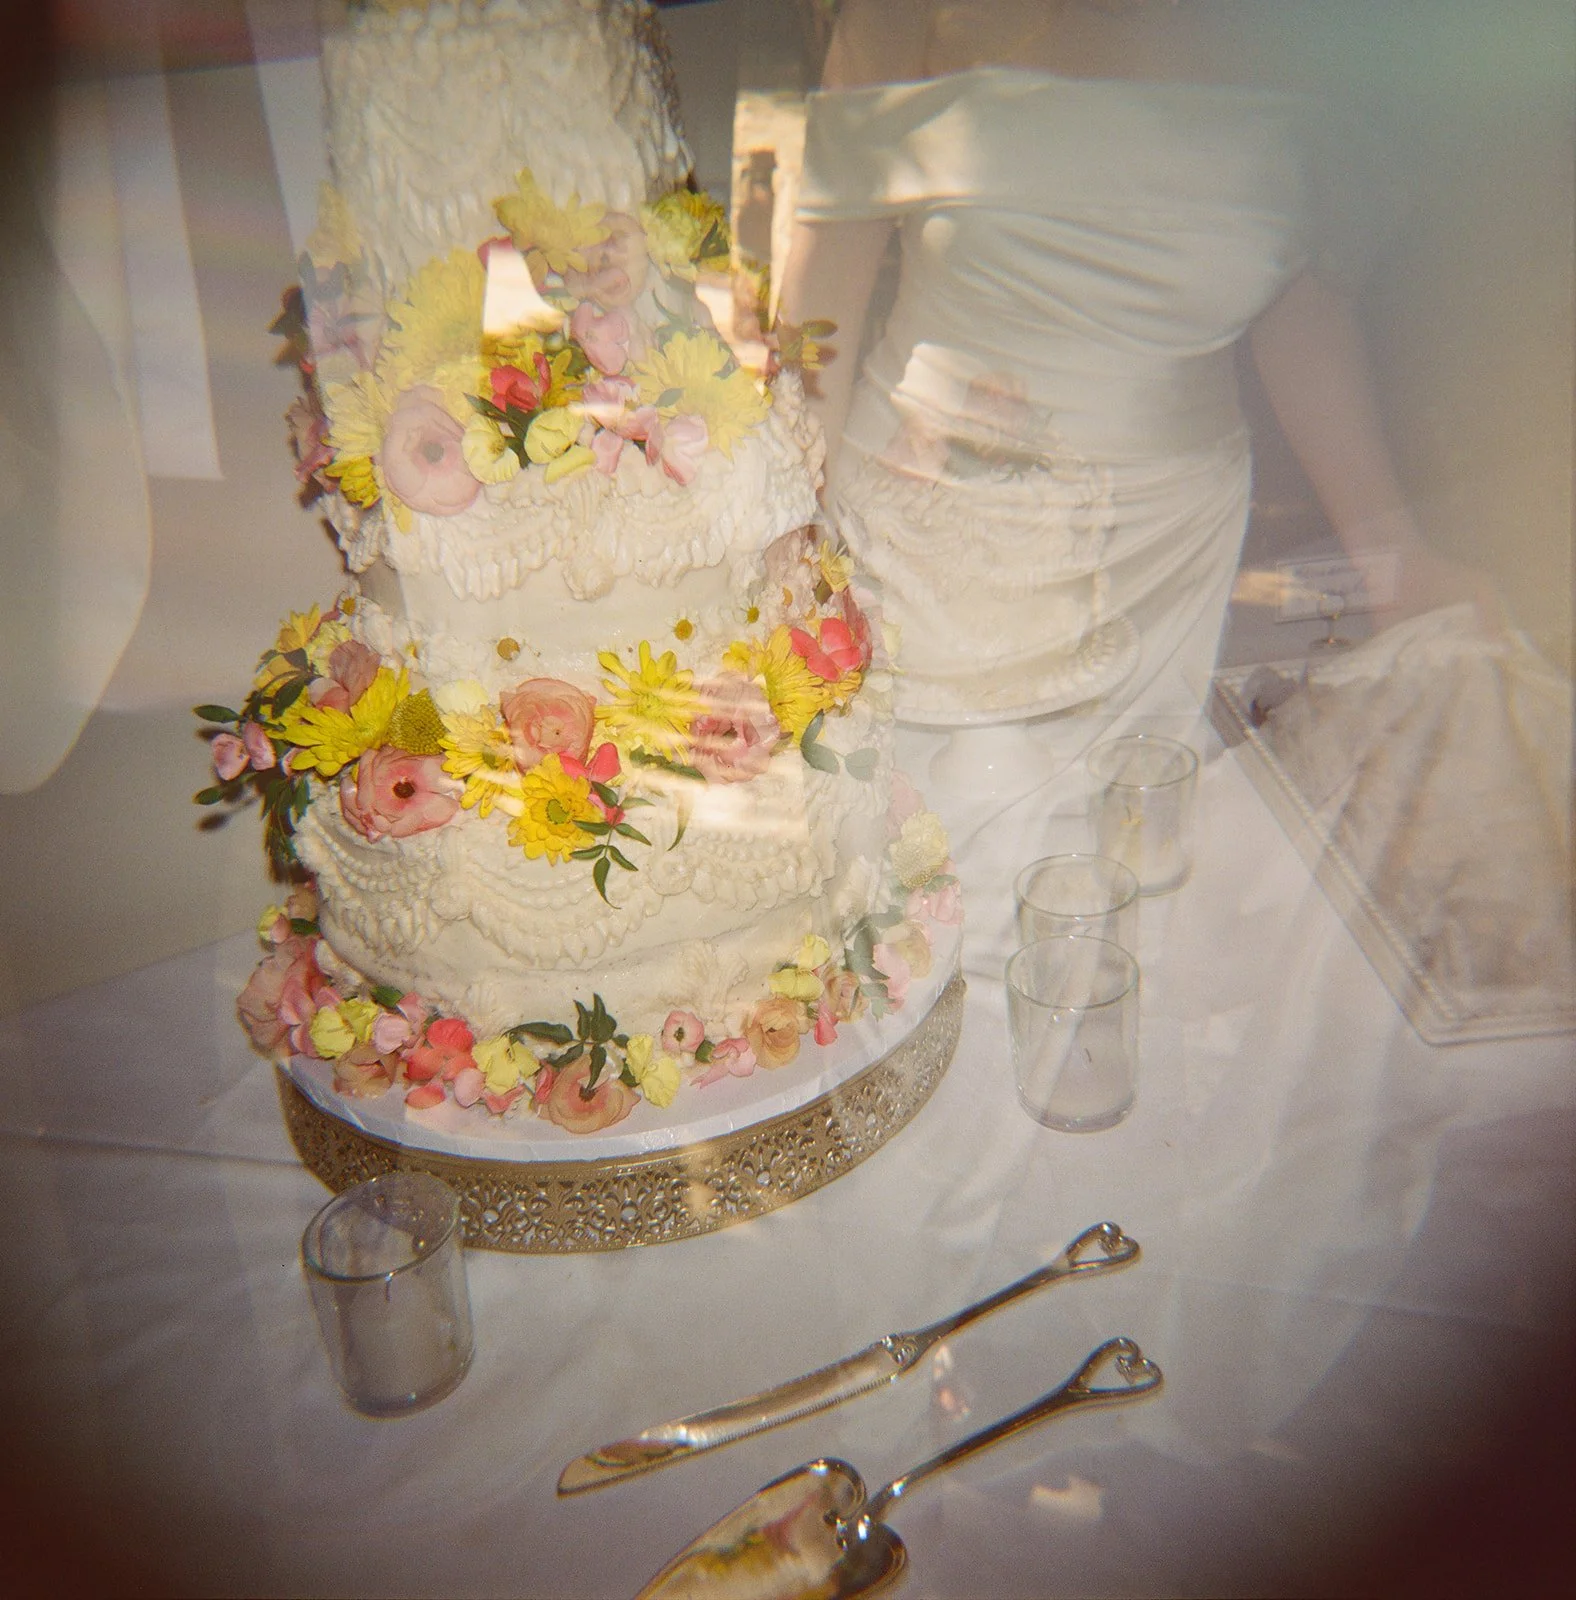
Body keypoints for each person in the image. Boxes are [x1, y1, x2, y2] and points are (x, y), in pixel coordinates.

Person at [776, 0, 1497, 966]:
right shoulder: (908, 14)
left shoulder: (1311, 32)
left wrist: (1390, 550)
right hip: (919, 548)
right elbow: (821, 297)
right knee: (908, 921)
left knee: (1118, 920)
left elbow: (1302, 302)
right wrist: (782, 533)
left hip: (1163, 560)